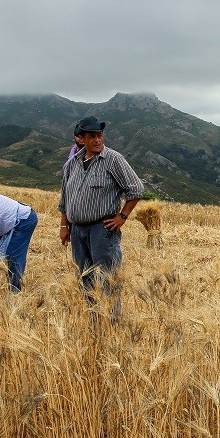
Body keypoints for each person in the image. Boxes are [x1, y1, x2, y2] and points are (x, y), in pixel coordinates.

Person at [58, 116, 144, 313]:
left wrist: (122, 217)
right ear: (81, 139)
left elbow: (136, 189)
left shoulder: (113, 159)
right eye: (92, 136)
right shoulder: (72, 164)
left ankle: (112, 320)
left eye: (100, 135)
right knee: (85, 276)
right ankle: (94, 317)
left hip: (102, 229)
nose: (97, 140)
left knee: (108, 276)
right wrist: (64, 226)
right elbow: (65, 198)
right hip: (77, 231)